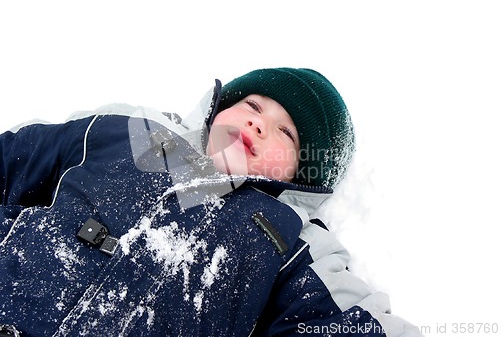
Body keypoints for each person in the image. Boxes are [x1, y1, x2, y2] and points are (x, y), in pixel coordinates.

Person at [0, 68, 424, 336]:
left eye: (285, 133)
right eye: (252, 105)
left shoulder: (290, 240)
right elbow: (18, 158)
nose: (258, 123)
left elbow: (346, 322)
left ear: (305, 176)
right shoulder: (129, 131)